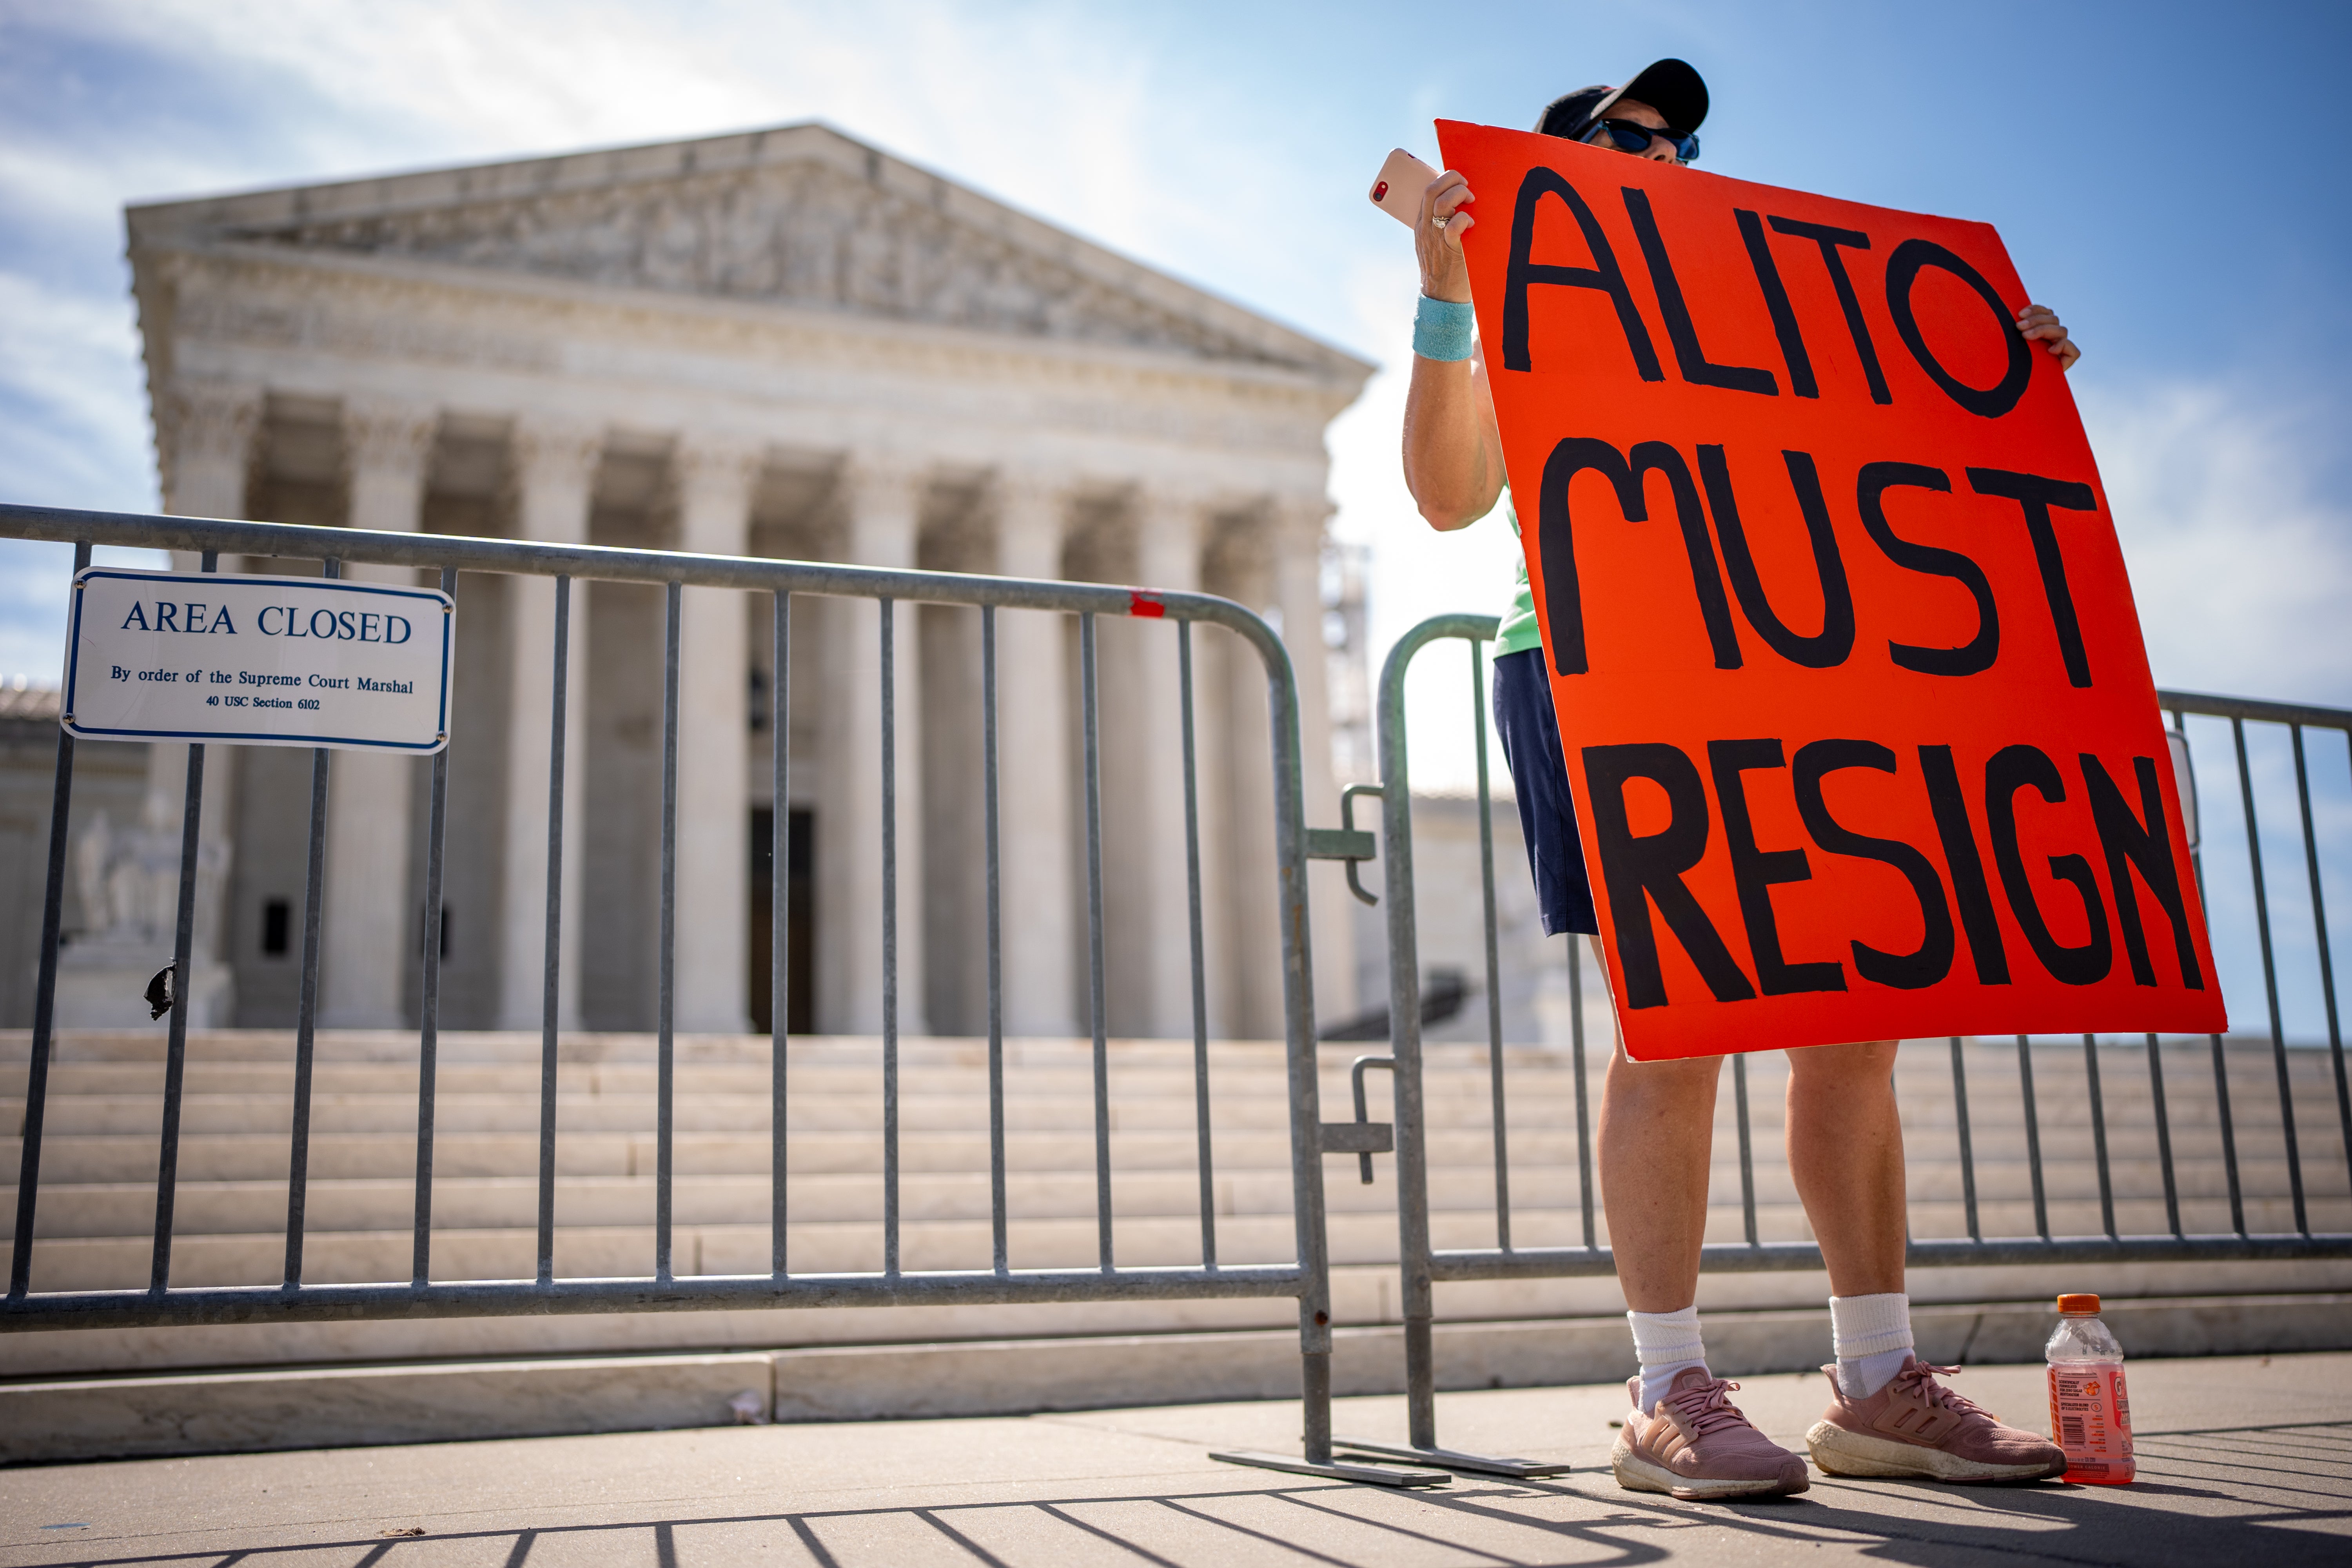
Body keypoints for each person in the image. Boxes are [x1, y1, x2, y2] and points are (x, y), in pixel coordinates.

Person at [1399, 58, 2082, 1501]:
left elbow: (1874, 472)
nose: (1664, 154)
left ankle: (1880, 1378)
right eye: (1625, 137)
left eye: (1682, 139)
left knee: (1856, 1021)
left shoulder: (1766, 309)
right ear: (1564, 165)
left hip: (1791, 672)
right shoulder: (1527, 306)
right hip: (1601, 667)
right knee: (1678, 1020)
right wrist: (1448, 284)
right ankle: (1663, 1388)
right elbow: (1452, 495)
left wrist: (1997, 376)